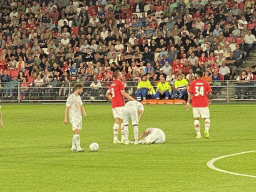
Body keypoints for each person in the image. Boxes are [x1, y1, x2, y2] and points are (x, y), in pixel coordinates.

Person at [105, 71, 135, 144]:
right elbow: (123, 93)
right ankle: (123, 139)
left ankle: (115, 139)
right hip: (119, 104)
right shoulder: (120, 83)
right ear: (118, 76)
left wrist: (113, 100)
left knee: (117, 121)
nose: (122, 75)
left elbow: (107, 94)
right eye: (121, 74)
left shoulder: (112, 84)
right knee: (124, 120)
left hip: (114, 105)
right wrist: (133, 100)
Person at [186, 71, 212, 139]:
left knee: (196, 118)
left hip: (195, 103)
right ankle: (206, 130)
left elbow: (190, 94)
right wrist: (209, 96)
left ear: (196, 75)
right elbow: (210, 93)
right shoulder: (205, 83)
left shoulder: (193, 83)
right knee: (206, 118)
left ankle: (198, 134)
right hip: (204, 103)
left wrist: (188, 102)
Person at [64, 83, 87, 152]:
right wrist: (65, 118)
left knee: (78, 131)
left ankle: (73, 146)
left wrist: (83, 112)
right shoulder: (71, 97)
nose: (82, 91)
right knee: (76, 131)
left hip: (78, 117)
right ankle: (78, 147)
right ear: (78, 89)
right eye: (81, 89)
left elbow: (81, 105)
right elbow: (67, 108)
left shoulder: (78, 97)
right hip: (73, 117)